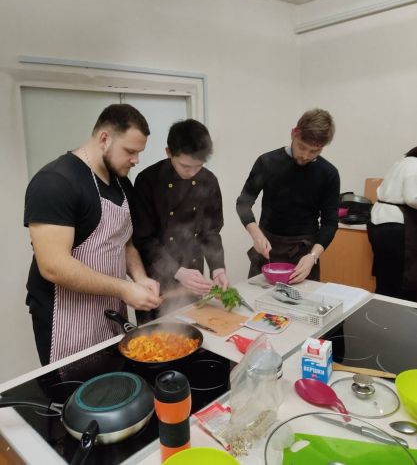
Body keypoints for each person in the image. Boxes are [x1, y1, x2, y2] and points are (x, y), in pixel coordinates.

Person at [24, 104, 162, 365]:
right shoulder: (55, 182)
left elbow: (124, 241)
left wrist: (140, 277)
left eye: (139, 152)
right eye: (130, 151)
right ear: (104, 138)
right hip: (67, 318)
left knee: (114, 379)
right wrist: (124, 288)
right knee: (77, 387)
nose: (136, 160)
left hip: (110, 310)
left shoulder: (122, 182)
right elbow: (53, 266)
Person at [132, 119, 228, 321]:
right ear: (169, 152)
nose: (192, 172)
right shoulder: (147, 181)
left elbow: (211, 231)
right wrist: (177, 271)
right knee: (157, 335)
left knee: (195, 329)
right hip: (156, 281)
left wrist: (218, 268)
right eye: (185, 166)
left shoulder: (209, 180)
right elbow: (144, 239)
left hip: (194, 276)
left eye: (198, 166)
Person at [236, 108, 340, 284]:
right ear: (294, 133)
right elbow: (243, 203)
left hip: (304, 253)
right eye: (302, 147)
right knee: (255, 299)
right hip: (267, 248)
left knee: (302, 300)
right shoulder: (267, 162)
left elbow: (330, 223)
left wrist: (313, 256)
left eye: (314, 151)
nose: (305, 156)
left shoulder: (328, 173)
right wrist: (256, 234)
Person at [367, 147, 417, 301]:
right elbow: (413, 198)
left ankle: (382, 311)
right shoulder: (414, 165)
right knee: (402, 280)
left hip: (380, 223)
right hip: (396, 227)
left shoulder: (401, 163)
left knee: (386, 278)